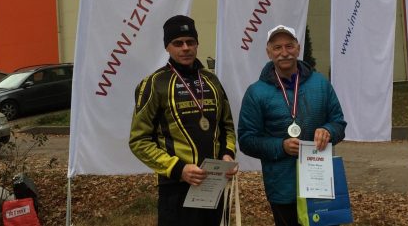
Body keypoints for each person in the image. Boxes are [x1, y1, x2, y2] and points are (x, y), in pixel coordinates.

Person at [129, 15, 237, 226]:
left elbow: (227, 127)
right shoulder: (154, 83)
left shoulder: (211, 80)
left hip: (213, 184)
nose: (185, 48)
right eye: (178, 43)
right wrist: (178, 169)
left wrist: (227, 154)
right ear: (167, 47)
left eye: (190, 42)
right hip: (176, 187)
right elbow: (139, 141)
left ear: (197, 44)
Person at [238, 24, 346, 226]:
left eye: (289, 46)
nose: (284, 52)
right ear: (268, 52)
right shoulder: (256, 92)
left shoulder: (320, 83)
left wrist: (328, 131)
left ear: (298, 48)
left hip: (319, 181)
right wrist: (281, 146)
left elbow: (338, 123)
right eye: (277, 47)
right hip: (282, 186)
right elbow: (246, 140)